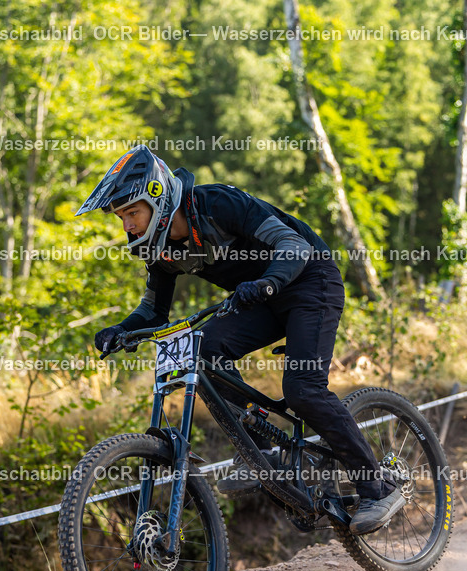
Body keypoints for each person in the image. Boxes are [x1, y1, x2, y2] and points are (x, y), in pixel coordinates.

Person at [76, 145, 402, 535]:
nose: (127, 225)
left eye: (132, 213)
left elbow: (293, 245)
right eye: (121, 217)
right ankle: (262, 450)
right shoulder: (157, 247)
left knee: (303, 390)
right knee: (205, 352)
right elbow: (153, 311)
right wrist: (121, 329)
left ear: (157, 197)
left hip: (309, 280)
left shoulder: (217, 204)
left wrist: (268, 282)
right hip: (258, 296)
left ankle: (376, 487)